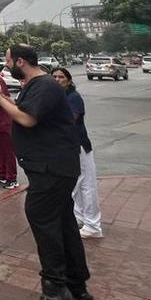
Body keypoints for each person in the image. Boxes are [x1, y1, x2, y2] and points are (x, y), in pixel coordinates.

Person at [0, 44, 91, 300]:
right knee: (63, 221)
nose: (6, 66)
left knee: (42, 217)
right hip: (50, 167)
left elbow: (27, 119)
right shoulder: (35, 85)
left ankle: (54, 289)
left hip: (52, 168)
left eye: (8, 61)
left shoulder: (45, 85)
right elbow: (24, 110)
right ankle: (76, 281)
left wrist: (0, 99)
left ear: (20, 61)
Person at [52, 68, 102, 239]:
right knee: (79, 185)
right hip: (69, 147)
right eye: (55, 77)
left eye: (61, 77)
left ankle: (92, 225)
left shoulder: (73, 98)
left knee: (84, 186)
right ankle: (79, 218)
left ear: (69, 80)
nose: (58, 79)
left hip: (78, 146)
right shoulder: (59, 97)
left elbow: (69, 121)